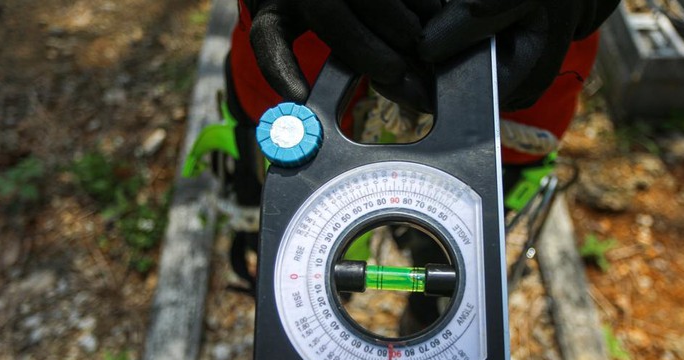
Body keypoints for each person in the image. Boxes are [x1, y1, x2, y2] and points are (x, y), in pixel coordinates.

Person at [216, 0, 620, 327]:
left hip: (515, 46)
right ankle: (291, 322)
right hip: (307, 38)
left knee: (457, 242)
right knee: (285, 231)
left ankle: (435, 317)